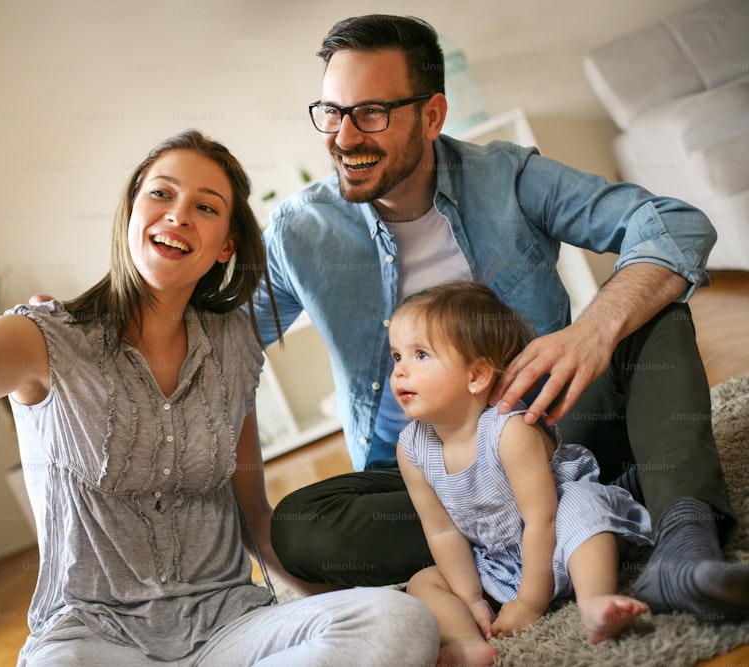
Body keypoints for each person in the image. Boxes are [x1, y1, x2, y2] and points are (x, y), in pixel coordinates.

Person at [0, 129, 439, 666]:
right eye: (161, 194)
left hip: (226, 627)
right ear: (132, 211)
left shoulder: (234, 344)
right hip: (93, 637)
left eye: (206, 207)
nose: (179, 216)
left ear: (224, 246)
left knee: (398, 619)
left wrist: (324, 613)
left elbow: (254, 516)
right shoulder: (44, 337)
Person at [253, 13, 749, 623]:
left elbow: (675, 223)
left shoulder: (509, 177)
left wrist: (593, 329)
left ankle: (684, 546)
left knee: (651, 311)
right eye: (331, 112)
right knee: (301, 526)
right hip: (424, 482)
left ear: (432, 116)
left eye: (372, 113)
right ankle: (569, 525)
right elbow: (227, 342)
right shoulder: (299, 229)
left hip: (551, 437)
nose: (344, 136)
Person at [390, 281, 653, 666]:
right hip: (498, 560)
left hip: (562, 542)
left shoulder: (510, 432)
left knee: (585, 505)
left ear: (476, 376)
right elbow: (442, 530)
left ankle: (595, 601)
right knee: (423, 582)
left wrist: (530, 602)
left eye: (420, 355)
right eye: (397, 356)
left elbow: (542, 520)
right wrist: (472, 599)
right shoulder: (412, 448)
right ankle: (466, 641)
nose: (400, 371)